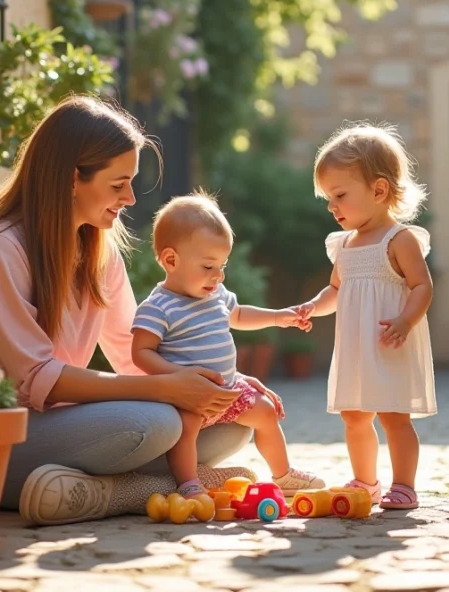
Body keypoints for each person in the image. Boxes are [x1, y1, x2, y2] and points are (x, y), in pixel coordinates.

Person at [0, 95, 255, 527]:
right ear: (73, 178)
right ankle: (131, 491)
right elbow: (37, 376)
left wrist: (222, 385)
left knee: (235, 422)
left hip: (67, 430)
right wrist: (168, 390)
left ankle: (92, 489)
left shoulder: (101, 254)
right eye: (118, 184)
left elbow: (131, 353)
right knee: (157, 423)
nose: (130, 198)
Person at [131, 192, 326, 499]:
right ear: (171, 260)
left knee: (266, 412)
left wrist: (278, 317)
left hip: (228, 389)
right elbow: (141, 353)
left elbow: (239, 315)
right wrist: (175, 376)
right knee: (185, 431)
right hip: (188, 396)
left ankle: (283, 474)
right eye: (208, 266)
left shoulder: (216, 294)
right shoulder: (158, 307)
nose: (218, 275)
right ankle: (188, 483)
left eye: (222, 265)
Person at [294, 123, 436, 510]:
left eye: (340, 195)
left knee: (394, 418)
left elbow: (422, 286)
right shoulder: (344, 245)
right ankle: (366, 482)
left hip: (389, 344)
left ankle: (404, 485)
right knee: (354, 416)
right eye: (328, 198)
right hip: (357, 348)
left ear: (378, 190)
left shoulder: (399, 240)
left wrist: (406, 320)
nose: (332, 206)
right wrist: (313, 306)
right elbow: (336, 290)